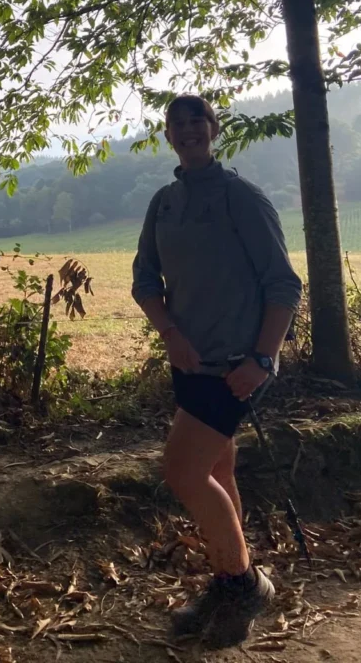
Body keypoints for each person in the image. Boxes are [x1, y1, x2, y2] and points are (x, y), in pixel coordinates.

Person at [132, 94, 302, 649]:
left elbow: (283, 284)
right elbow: (144, 280)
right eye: (177, 123)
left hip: (236, 369)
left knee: (182, 472)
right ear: (168, 135)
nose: (188, 130)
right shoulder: (164, 203)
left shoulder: (240, 197)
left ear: (213, 128)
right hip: (189, 363)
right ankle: (230, 580)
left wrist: (262, 360)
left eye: (197, 120)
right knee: (219, 471)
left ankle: (244, 584)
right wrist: (170, 334)